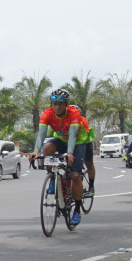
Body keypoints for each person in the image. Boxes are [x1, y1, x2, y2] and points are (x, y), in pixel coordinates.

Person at [34, 88, 94, 227]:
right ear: (51, 104)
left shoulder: (74, 113)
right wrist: (36, 151)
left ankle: (77, 210)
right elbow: (42, 134)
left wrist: (70, 153)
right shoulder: (47, 113)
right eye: (54, 104)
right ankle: (52, 178)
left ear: (66, 104)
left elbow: (72, 135)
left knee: (74, 176)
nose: (57, 107)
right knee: (47, 148)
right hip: (61, 140)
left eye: (60, 104)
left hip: (78, 142)